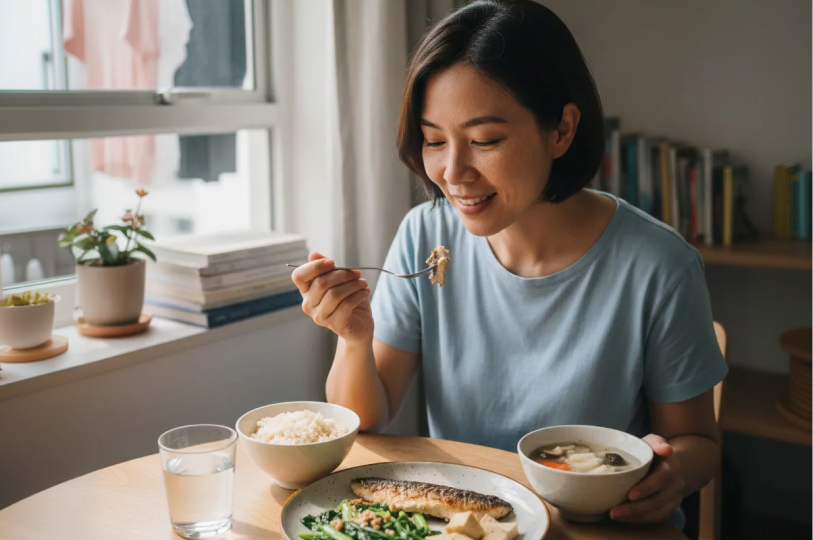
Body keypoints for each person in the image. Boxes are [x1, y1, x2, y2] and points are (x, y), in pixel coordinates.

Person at [291, 0, 727, 529]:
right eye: (434, 141)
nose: (452, 173)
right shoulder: (425, 234)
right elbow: (367, 418)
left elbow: (699, 444)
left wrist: (670, 472)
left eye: (484, 141)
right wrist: (354, 338)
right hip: (461, 525)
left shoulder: (659, 264)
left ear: (562, 130)